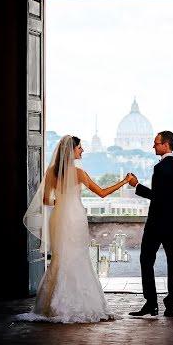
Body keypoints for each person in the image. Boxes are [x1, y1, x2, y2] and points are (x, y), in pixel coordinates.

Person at [17, 135, 132, 323]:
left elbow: (46, 200)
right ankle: (80, 302)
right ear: (72, 151)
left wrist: (62, 202)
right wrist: (124, 181)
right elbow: (102, 193)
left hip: (59, 217)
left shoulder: (51, 172)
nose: (82, 150)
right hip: (75, 218)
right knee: (78, 257)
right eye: (80, 148)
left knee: (60, 258)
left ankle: (50, 305)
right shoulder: (79, 173)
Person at [128, 130, 173, 317]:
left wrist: (136, 186)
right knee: (172, 263)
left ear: (166, 144)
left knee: (146, 260)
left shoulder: (160, 169)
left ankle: (151, 303)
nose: (153, 146)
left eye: (156, 143)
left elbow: (157, 197)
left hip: (156, 224)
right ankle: (171, 303)